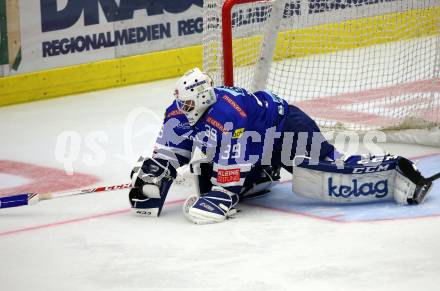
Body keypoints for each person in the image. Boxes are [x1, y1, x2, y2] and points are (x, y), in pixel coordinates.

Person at [129, 68, 433, 224]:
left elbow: (237, 153)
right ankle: (262, 175)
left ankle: (398, 172)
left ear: (203, 99)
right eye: (181, 102)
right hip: (260, 136)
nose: (182, 107)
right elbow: (173, 143)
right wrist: (161, 165)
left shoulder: (227, 112)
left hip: (288, 127)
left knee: (324, 174)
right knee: (203, 173)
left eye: (188, 102)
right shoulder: (179, 109)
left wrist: (224, 194)